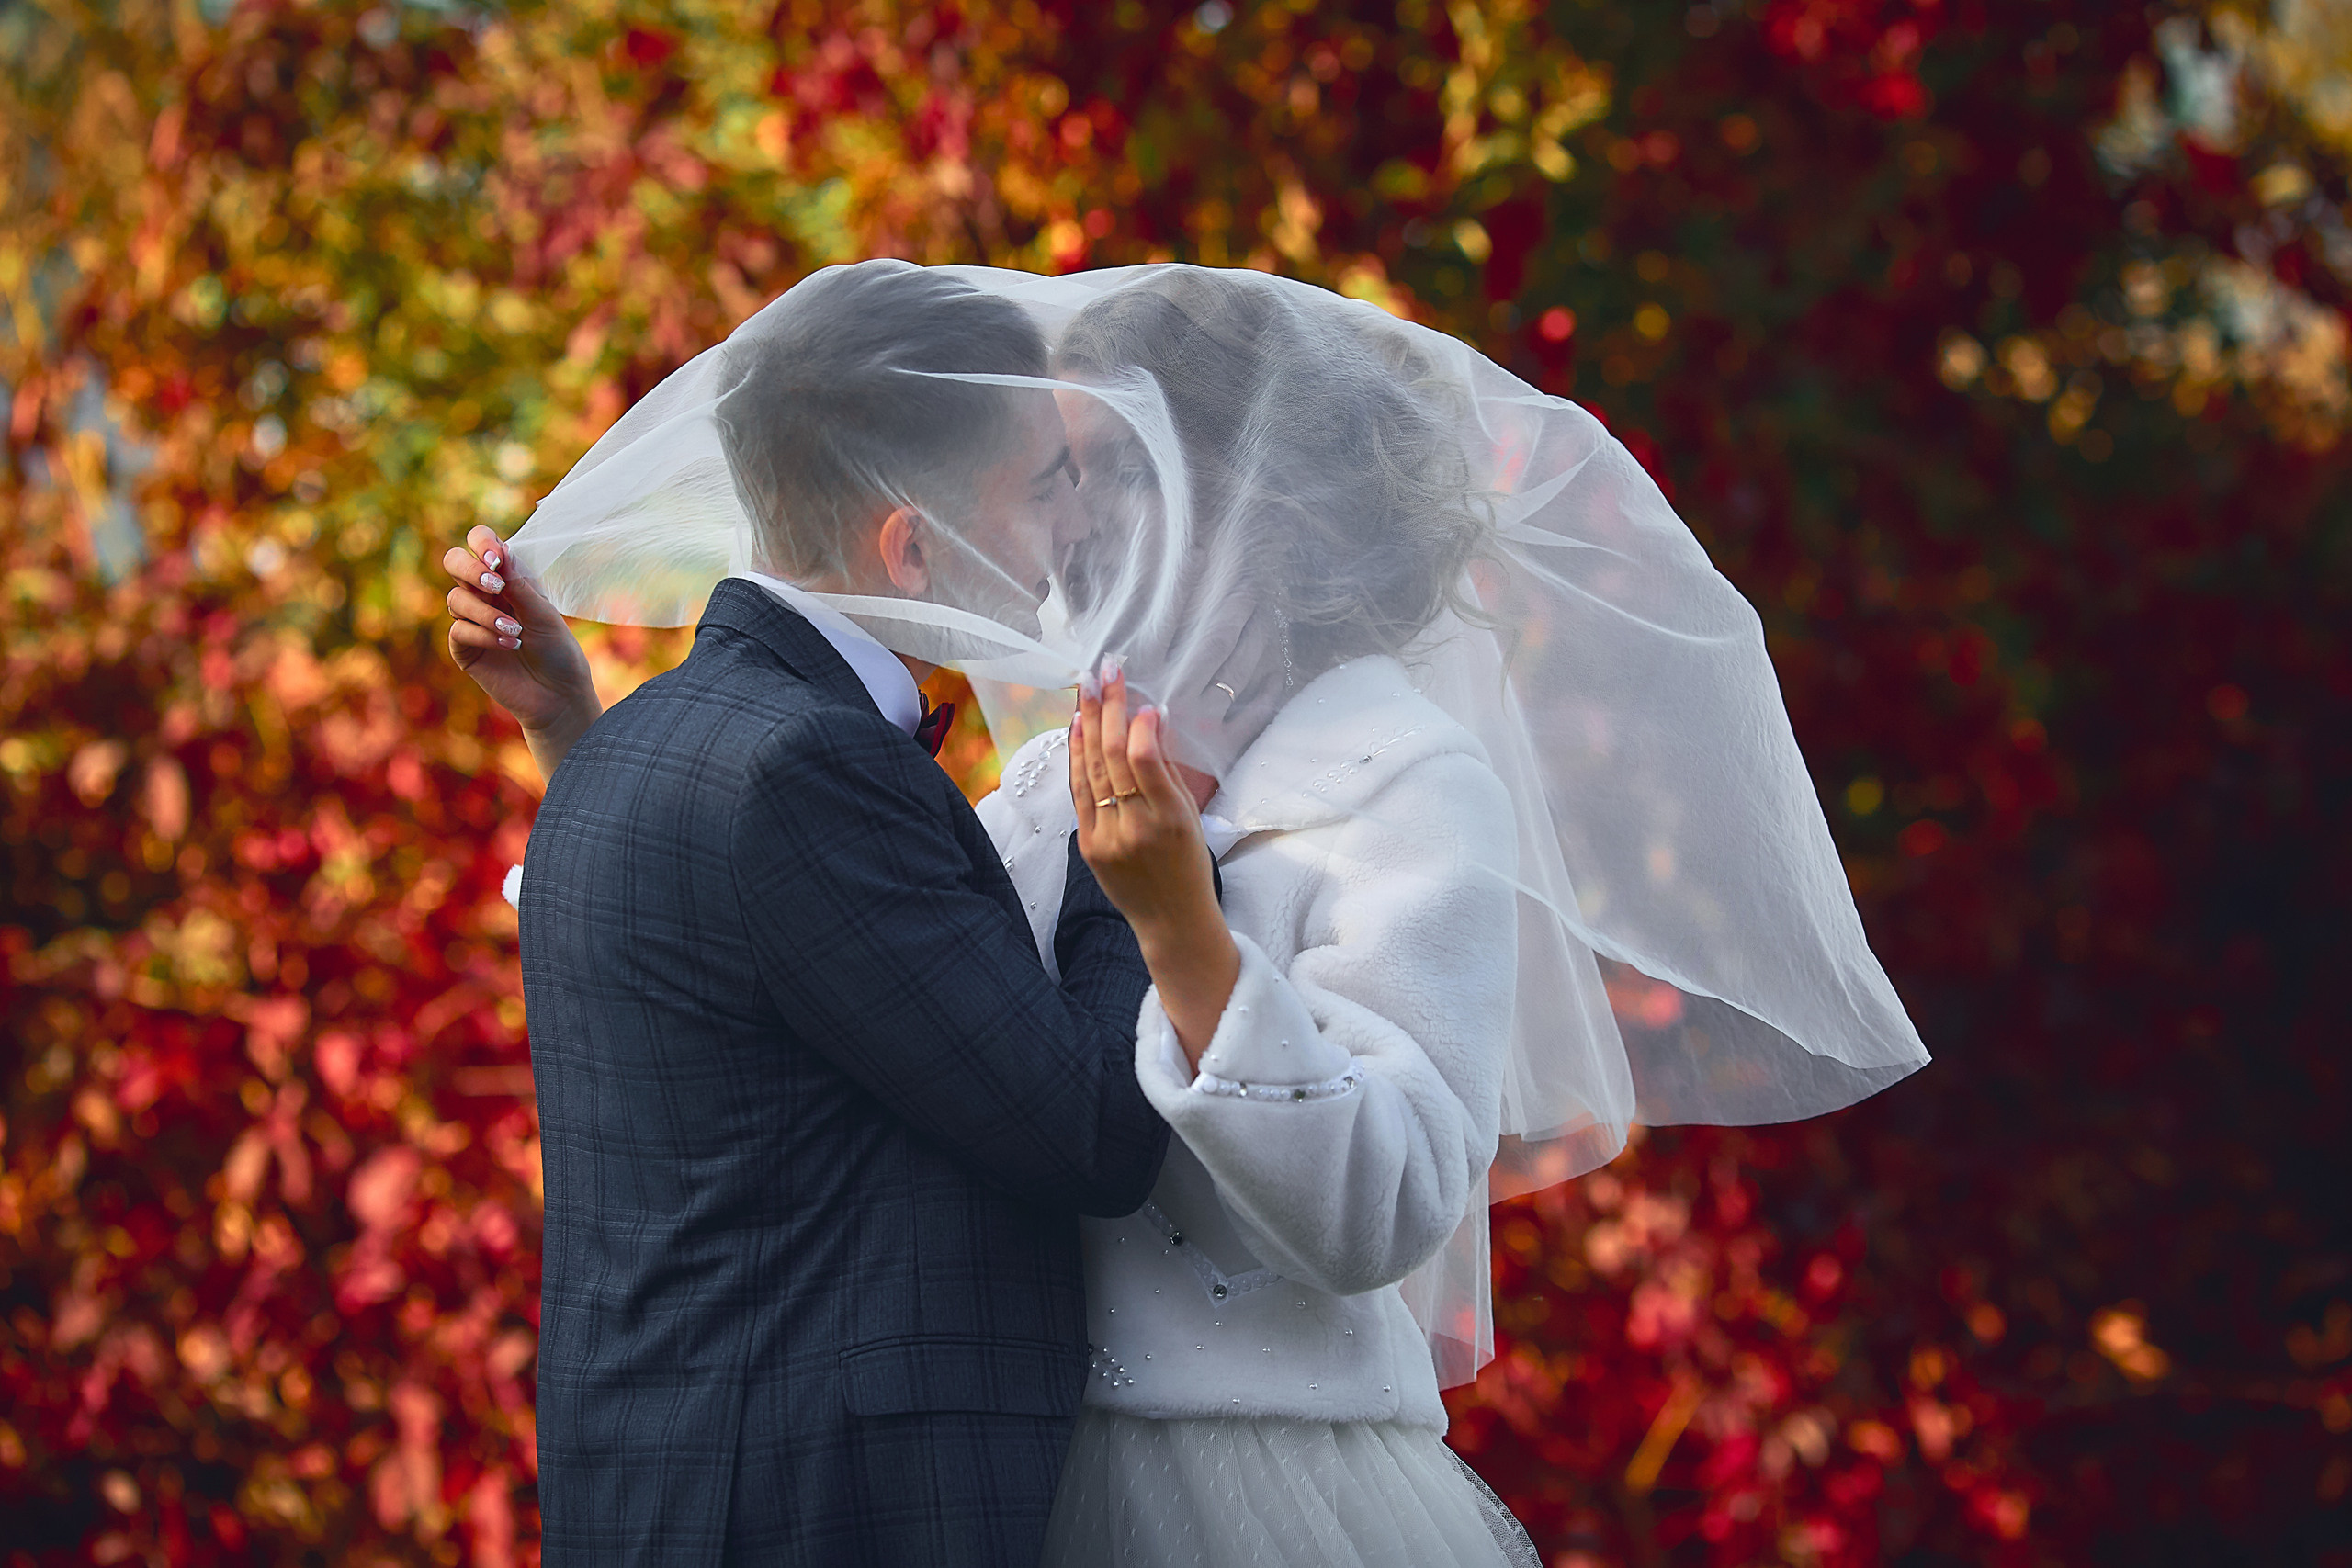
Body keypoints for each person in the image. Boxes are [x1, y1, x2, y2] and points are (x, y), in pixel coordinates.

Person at [454, 264, 1931, 1567]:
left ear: (1249, 503)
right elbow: (838, 980)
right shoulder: (1055, 779)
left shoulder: (1401, 781)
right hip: (1005, 1480)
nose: (1076, 520)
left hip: (1242, 1485)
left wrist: (1185, 932)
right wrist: (594, 758)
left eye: (1110, 469)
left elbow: (1391, 1206)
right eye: (1062, 476)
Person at [447, 258, 1170, 1568]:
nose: (1073, 523)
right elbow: (1089, 1135)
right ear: (913, 548)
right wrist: (1122, 854)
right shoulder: (807, 771)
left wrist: (568, 726)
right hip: (819, 1519)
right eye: (1042, 484)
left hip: (668, 1499)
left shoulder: (636, 745)